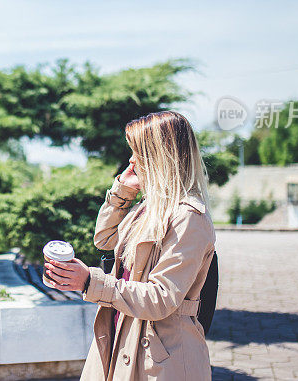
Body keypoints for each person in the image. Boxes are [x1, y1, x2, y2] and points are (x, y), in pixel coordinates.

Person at [44, 110, 216, 380]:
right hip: (124, 335)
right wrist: (123, 192)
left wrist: (90, 281)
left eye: (137, 152)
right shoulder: (148, 208)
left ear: (159, 157)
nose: (131, 160)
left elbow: (161, 298)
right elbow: (105, 238)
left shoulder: (188, 218)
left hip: (161, 358)